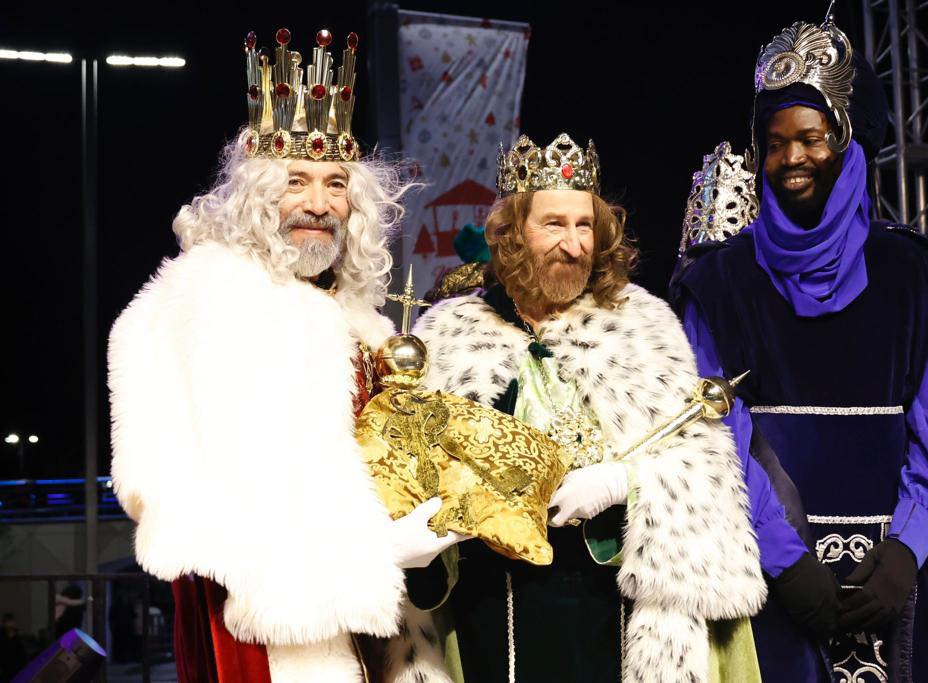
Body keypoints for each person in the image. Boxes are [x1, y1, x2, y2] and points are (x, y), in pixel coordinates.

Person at [109, 27, 456, 683]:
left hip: (375, 609)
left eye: (335, 184)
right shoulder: (208, 302)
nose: (319, 205)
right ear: (259, 196)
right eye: (297, 181)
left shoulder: (362, 322)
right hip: (269, 616)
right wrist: (372, 546)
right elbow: (213, 489)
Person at [672, 17, 928, 682]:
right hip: (765, 583)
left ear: (846, 141)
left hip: (895, 588)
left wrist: (907, 548)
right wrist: (786, 562)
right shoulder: (717, 282)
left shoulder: (914, 274)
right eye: (775, 143)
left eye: (810, 138)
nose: (791, 158)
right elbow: (710, 434)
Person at [405, 133, 767, 682]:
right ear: (511, 233)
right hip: (490, 610)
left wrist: (625, 482)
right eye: (553, 224)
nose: (573, 245)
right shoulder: (450, 335)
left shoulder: (641, 327)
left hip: (609, 609)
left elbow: (704, 470)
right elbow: (414, 480)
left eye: (584, 226)